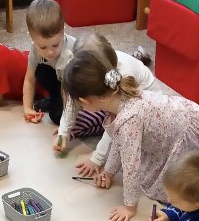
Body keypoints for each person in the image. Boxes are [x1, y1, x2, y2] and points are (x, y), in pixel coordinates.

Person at [61, 49, 199, 221]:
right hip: (182, 117)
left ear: (85, 101)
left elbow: (131, 167)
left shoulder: (128, 120)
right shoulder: (117, 97)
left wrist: (129, 207)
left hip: (190, 135)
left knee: (175, 187)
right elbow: (118, 140)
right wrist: (109, 172)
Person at [57, 32, 162, 164]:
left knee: (126, 139)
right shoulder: (100, 78)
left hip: (145, 111)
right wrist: (63, 133)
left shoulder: (123, 76)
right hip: (110, 102)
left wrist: (97, 158)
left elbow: (116, 121)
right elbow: (74, 99)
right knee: (79, 122)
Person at [22, 0, 78, 127]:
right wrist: (27, 108)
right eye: (43, 47)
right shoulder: (34, 49)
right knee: (40, 70)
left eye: (55, 45)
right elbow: (29, 79)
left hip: (74, 88)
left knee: (57, 117)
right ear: (32, 38)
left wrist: (67, 121)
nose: (50, 52)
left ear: (63, 31)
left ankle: (56, 102)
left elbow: (79, 87)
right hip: (58, 82)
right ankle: (54, 98)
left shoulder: (73, 49)